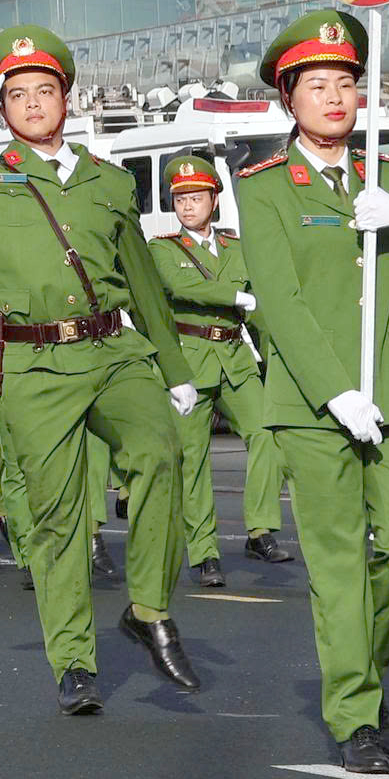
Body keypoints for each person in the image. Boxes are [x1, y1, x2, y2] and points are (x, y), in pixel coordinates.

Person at [0, 25, 202, 715]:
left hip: (112, 350)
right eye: (15, 94)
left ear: (68, 97)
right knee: (59, 517)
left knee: (159, 453)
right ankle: (73, 662)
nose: (33, 103)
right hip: (33, 364)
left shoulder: (110, 180)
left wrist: (175, 366)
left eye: (45, 89)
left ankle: (149, 608)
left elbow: (145, 282)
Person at [233, 10, 389, 773]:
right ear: (290, 99)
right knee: (338, 566)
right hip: (316, 406)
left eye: (345, 82)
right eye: (318, 85)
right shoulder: (267, 187)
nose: (335, 97)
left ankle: (362, 671)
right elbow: (280, 298)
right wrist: (335, 390)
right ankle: (354, 716)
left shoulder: (386, 170)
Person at [149, 152, 290, 588]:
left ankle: (260, 528)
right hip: (189, 362)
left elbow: (259, 309)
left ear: (214, 200)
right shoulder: (164, 248)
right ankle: (204, 552)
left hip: (234, 358)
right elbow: (181, 287)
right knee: (193, 461)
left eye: (196, 197)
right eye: (180, 198)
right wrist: (233, 298)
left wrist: (279, 359)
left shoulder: (235, 247)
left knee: (266, 434)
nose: (187, 206)